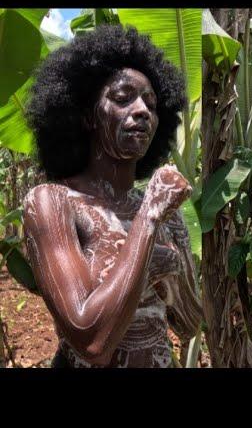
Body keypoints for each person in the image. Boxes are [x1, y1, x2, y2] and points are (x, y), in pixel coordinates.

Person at [23, 25, 202, 367]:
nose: (142, 111)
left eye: (151, 103)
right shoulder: (52, 203)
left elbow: (190, 325)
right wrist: (149, 220)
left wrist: (177, 273)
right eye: (123, 99)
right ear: (88, 117)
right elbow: (91, 342)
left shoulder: (167, 214)